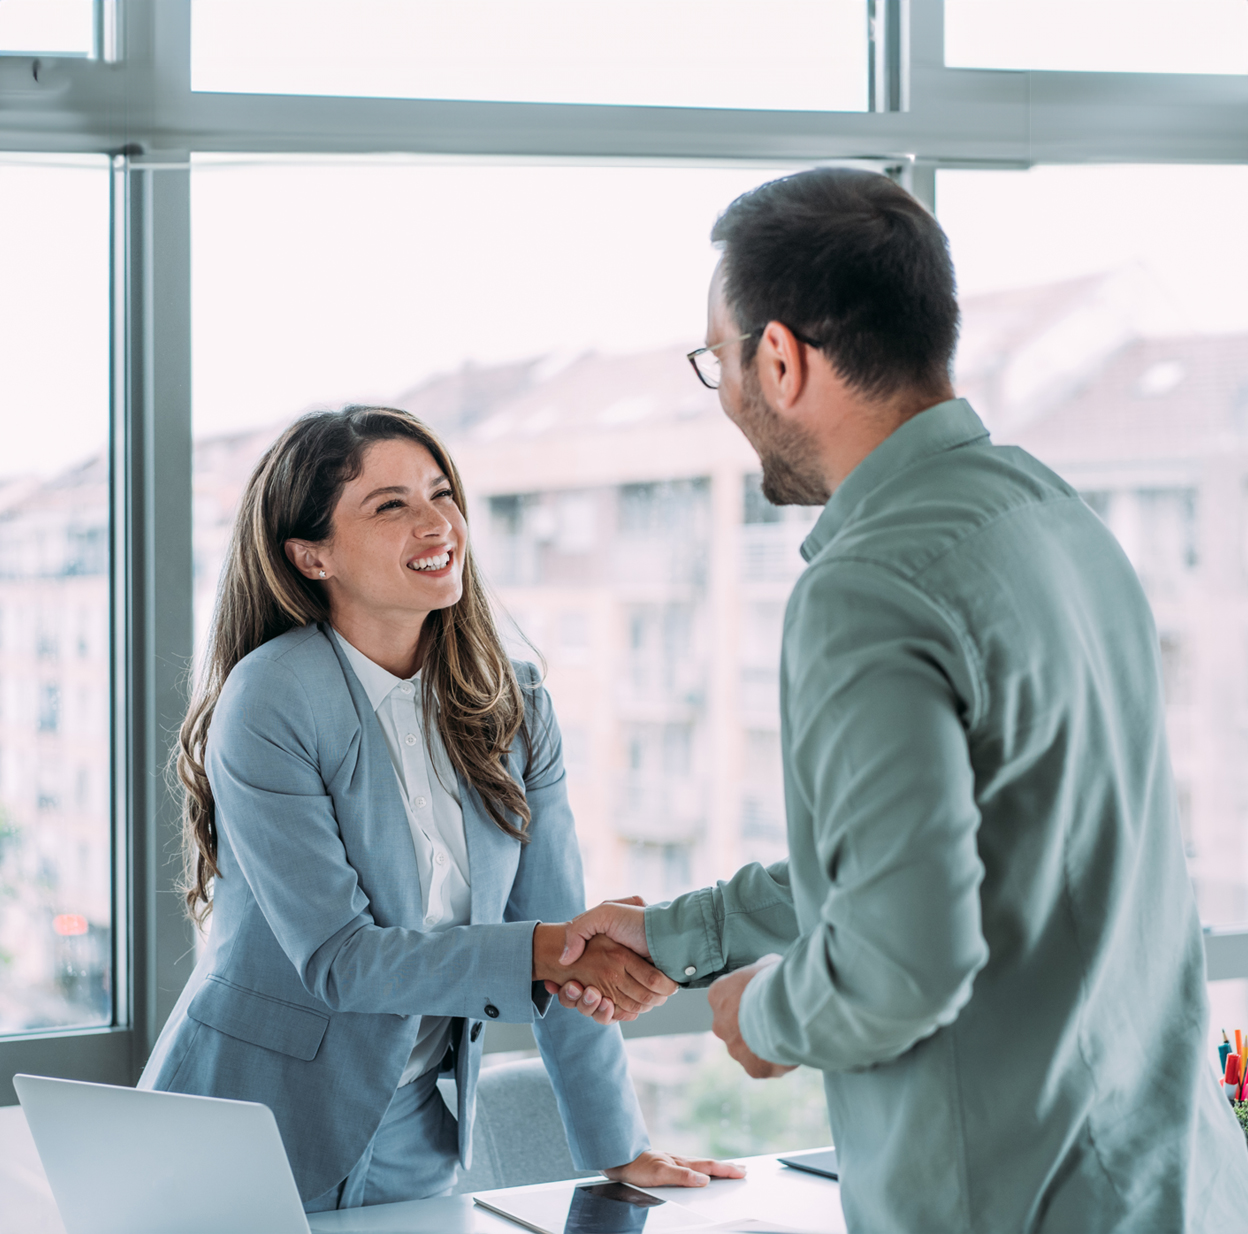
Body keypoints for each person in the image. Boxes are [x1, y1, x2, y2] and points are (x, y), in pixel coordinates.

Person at [553, 168, 1248, 1231]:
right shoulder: (1058, 521)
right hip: (1170, 1185)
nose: (730, 399)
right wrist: (688, 932)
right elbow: (943, 850)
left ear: (779, 358)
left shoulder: (865, 588)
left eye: (721, 364)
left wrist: (765, 1013)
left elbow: (900, 960)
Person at [138, 407, 742, 1210]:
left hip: (414, 1134)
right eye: (390, 505)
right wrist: (553, 948)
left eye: (441, 492)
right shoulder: (272, 698)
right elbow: (341, 960)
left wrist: (619, 1148)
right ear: (310, 554)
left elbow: (563, 934)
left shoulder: (513, 703)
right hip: (241, 1126)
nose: (437, 523)